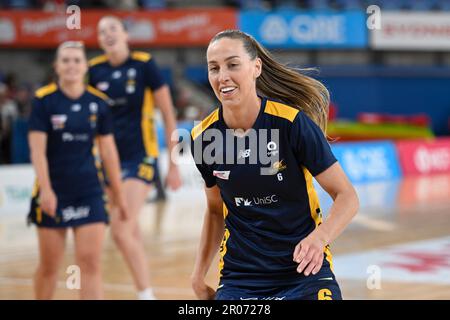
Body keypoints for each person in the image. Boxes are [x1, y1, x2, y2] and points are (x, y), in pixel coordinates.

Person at [190, 30, 359, 300]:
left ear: (256, 67)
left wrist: (320, 238)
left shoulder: (292, 124)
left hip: (303, 273)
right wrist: (198, 276)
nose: (222, 76)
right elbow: (214, 210)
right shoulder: (204, 137)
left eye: (233, 64)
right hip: (240, 278)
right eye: (214, 68)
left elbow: (347, 196)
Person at [88, 15, 182, 300]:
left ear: (126, 35)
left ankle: (145, 295)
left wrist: (173, 165)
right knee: (130, 233)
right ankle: (146, 289)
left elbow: (168, 114)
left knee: (119, 229)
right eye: (102, 31)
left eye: (113, 29)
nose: (108, 35)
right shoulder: (93, 70)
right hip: (107, 163)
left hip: (141, 158)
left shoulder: (144, 64)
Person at [28, 41, 128, 300]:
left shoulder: (99, 103)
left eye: (76, 60)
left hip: (90, 192)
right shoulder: (43, 101)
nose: (71, 65)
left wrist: (118, 193)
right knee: (50, 267)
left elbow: (108, 152)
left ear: (85, 66)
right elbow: (37, 151)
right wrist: (46, 191)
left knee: (91, 264)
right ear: (57, 66)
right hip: (54, 194)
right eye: (66, 60)